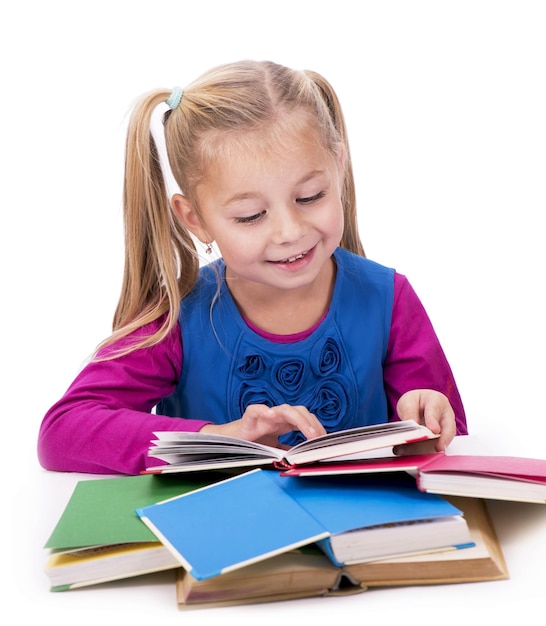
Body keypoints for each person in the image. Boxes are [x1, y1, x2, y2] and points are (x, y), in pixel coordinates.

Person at [38, 60, 467, 476]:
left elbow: (445, 437)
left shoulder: (389, 299)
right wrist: (221, 436)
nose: (288, 231)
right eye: (250, 215)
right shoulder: (178, 317)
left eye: (310, 196)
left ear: (339, 168)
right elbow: (63, 431)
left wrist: (430, 417)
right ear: (195, 219)